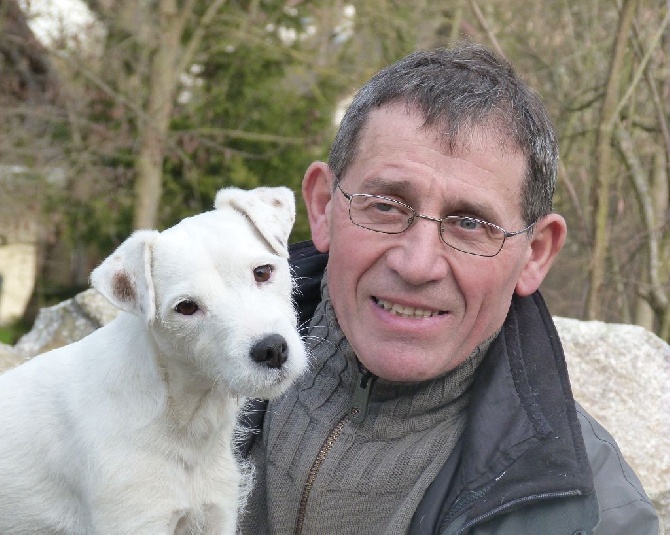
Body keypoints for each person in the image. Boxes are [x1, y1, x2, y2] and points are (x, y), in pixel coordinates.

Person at [238, 42, 659, 534]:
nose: (417, 265)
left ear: (535, 254)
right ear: (323, 205)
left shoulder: (589, 515)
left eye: (470, 223)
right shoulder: (179, 369)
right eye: (386, 205)